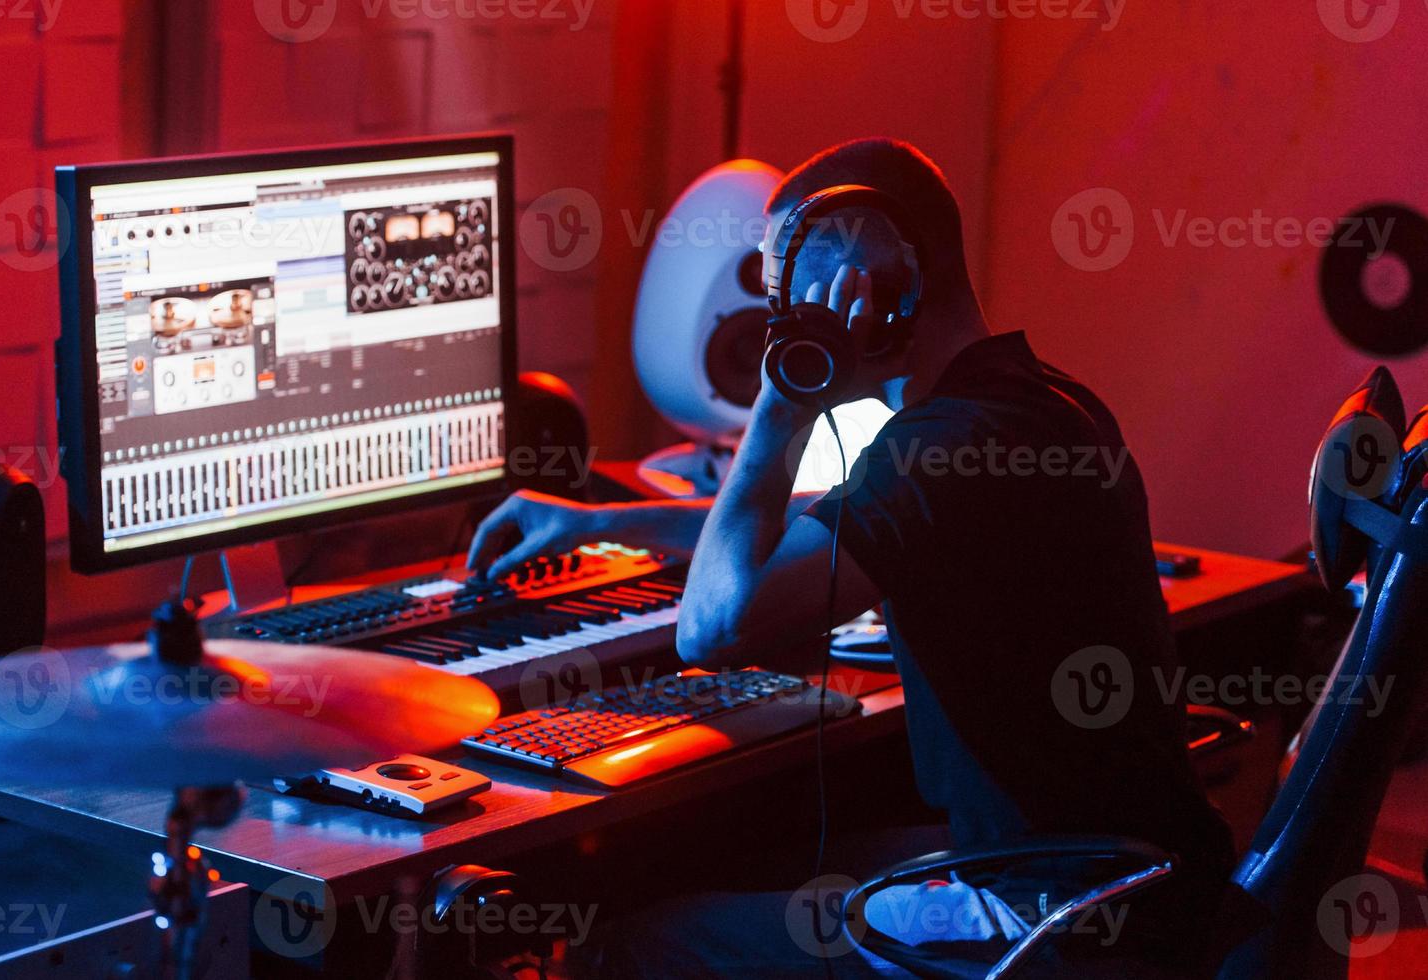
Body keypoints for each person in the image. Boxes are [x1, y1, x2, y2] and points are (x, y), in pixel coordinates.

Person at [468, 138, 1233, 977]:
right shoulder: (1027, 405)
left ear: (865, 285)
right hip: (1122, 882)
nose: (779, 322)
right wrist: (591, 524)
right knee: (744, 860)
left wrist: (780, 406)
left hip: (1042, 919)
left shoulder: (941, 449)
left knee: (639, 944)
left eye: (785, 300)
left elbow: (712, 627)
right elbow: (828, 520)